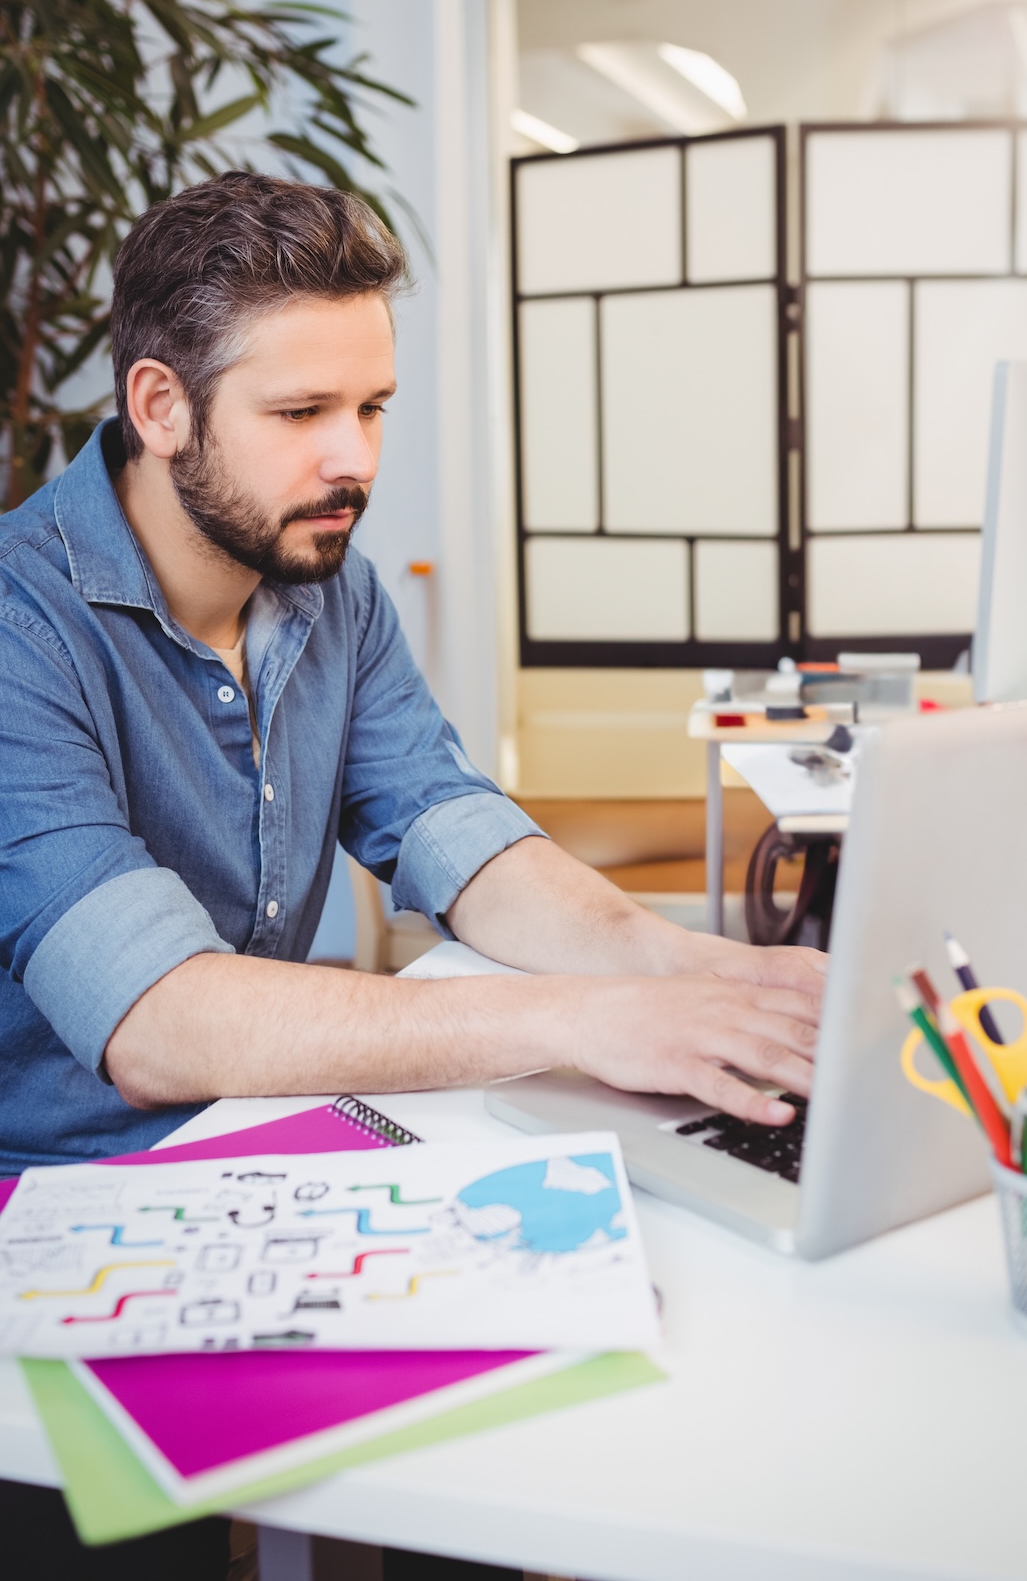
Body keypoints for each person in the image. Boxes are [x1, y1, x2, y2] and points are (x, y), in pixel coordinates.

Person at [0, 171, 824, 1178]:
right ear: (161, 407)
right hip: (58, 1203)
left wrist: (707, 970)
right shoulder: (19, 628)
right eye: (302, 413)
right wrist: (582, 1017)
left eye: (372, 407)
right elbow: (157, 1017)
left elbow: (455, 832)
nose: (355, 460)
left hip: (269, 1138)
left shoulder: (331, 594)